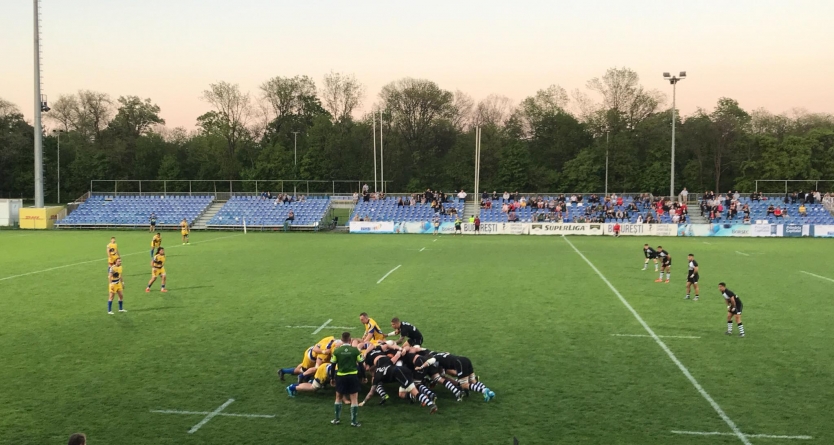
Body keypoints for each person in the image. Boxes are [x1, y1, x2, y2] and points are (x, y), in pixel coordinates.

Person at [417, 350, 495, 402]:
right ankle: (489, 392)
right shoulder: (441, 354)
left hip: (459, 363)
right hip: (465, 360)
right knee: (473, 381)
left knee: (464, 385)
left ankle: (484, 391)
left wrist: (421, 367)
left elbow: (430, 362)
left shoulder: (435, 358)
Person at [330, 332, 363, 426]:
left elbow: (333, 365)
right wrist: (364, 376)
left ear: (341, 340)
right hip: (353, 376)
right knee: (354, 398)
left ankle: (337, 419)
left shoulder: (336, 351)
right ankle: (354, 422)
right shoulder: (355, 350)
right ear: (350, 340)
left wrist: (332, 378)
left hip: (340, 376)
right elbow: (361, 364)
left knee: (338, 397)